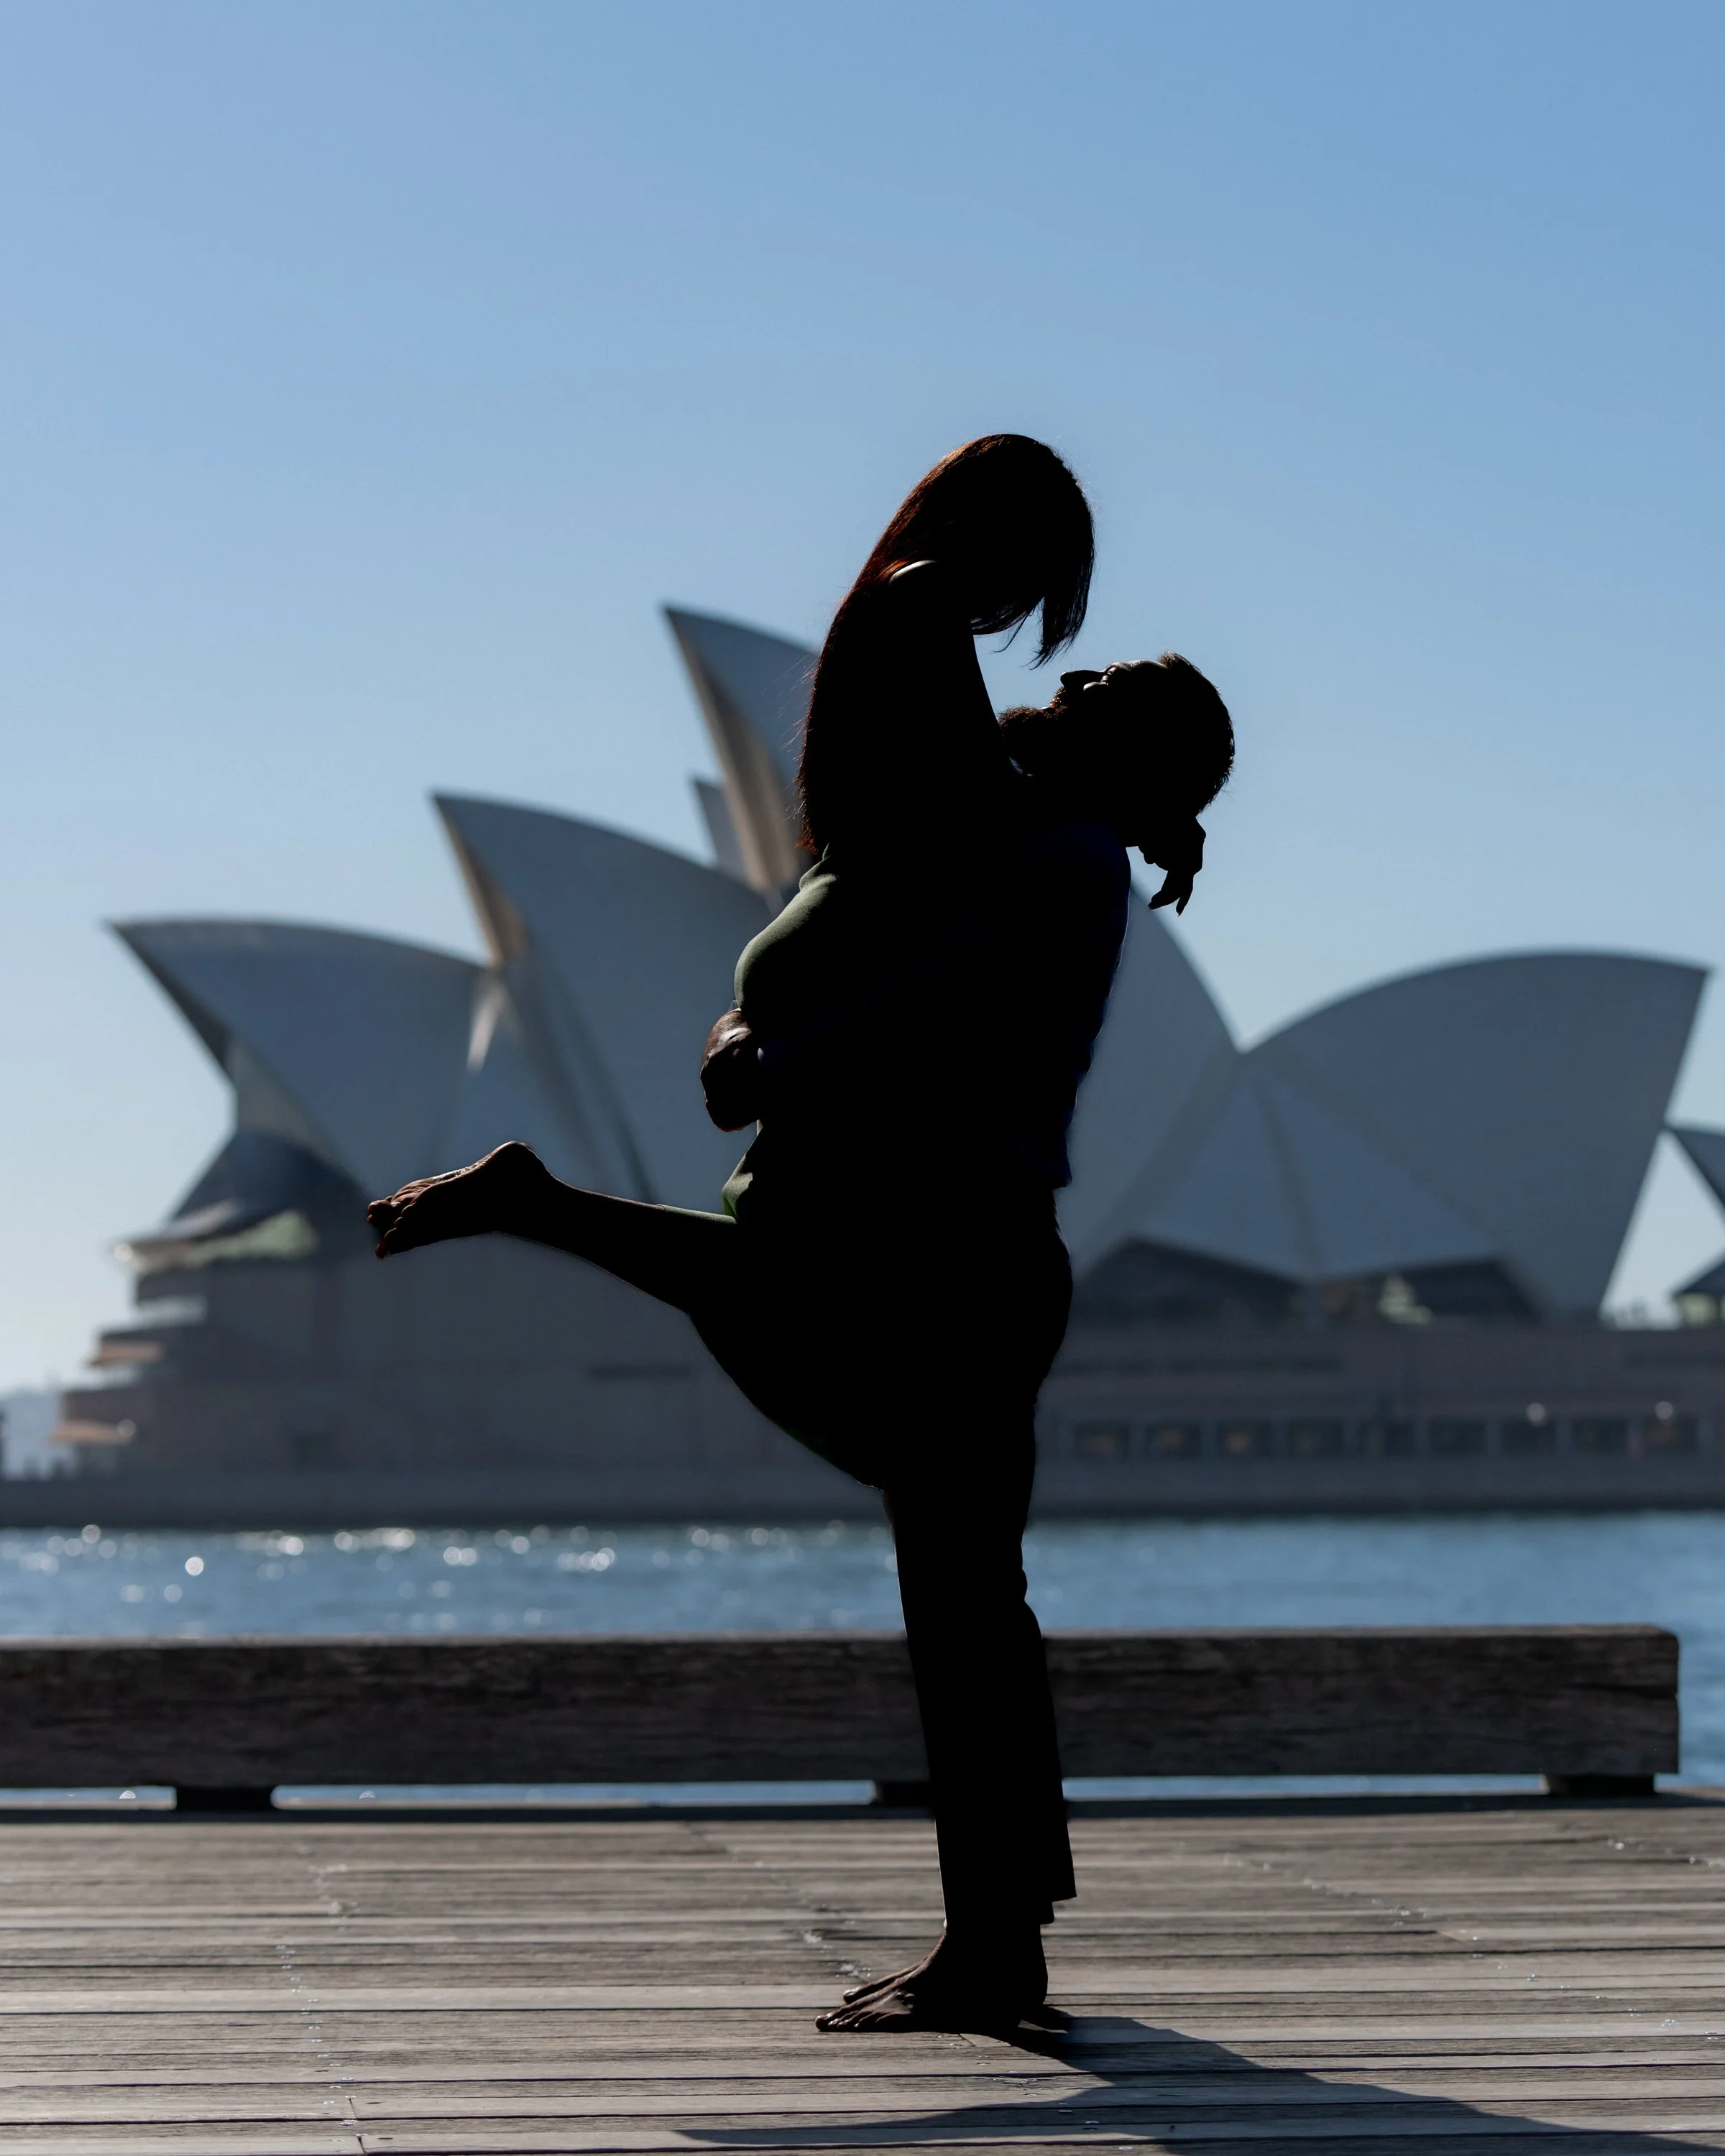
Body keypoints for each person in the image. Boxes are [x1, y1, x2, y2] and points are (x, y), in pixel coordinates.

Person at [367, 434, 1234, 2033]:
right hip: (947, 1238)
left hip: (968, 1254)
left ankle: (999, 1945)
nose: (1067, 661)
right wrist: (1162, 808)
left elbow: (941, 992)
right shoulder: (1048, 817)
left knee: (957, 1589)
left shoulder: (1056, 855)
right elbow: (986, 776)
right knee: (969, 1598)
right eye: (1056, 618)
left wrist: (777, 1060)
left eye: (1099, 666)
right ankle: (1004, 1942)